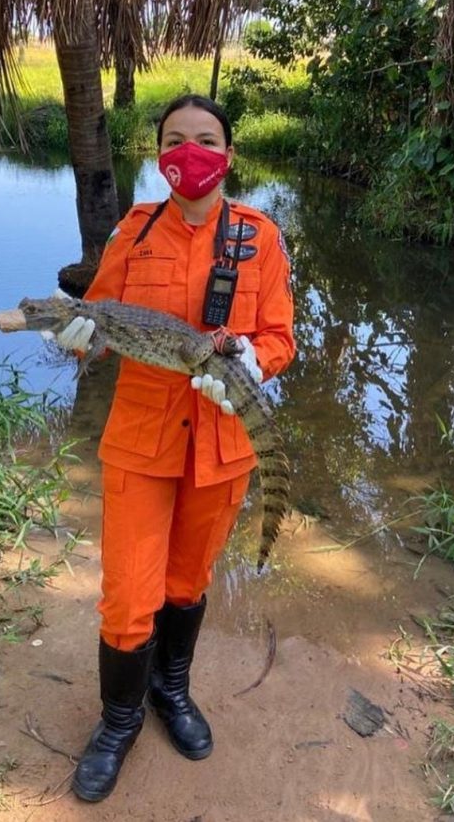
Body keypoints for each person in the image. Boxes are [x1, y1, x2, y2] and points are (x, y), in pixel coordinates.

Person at [57, 94, 296, 802]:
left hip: (223, 441)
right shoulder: (131, 234)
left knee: (186, 584)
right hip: (139, 441)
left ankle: (171, 692)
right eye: (175, 140)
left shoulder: (261, 237)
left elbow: (281, 336)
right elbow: (94, 324)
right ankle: (118, 720)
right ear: (160, 155)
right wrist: (78, 338)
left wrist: (254, 361)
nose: (190, 152)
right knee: (129, 593)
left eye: (206, 139)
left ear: (227, 153)